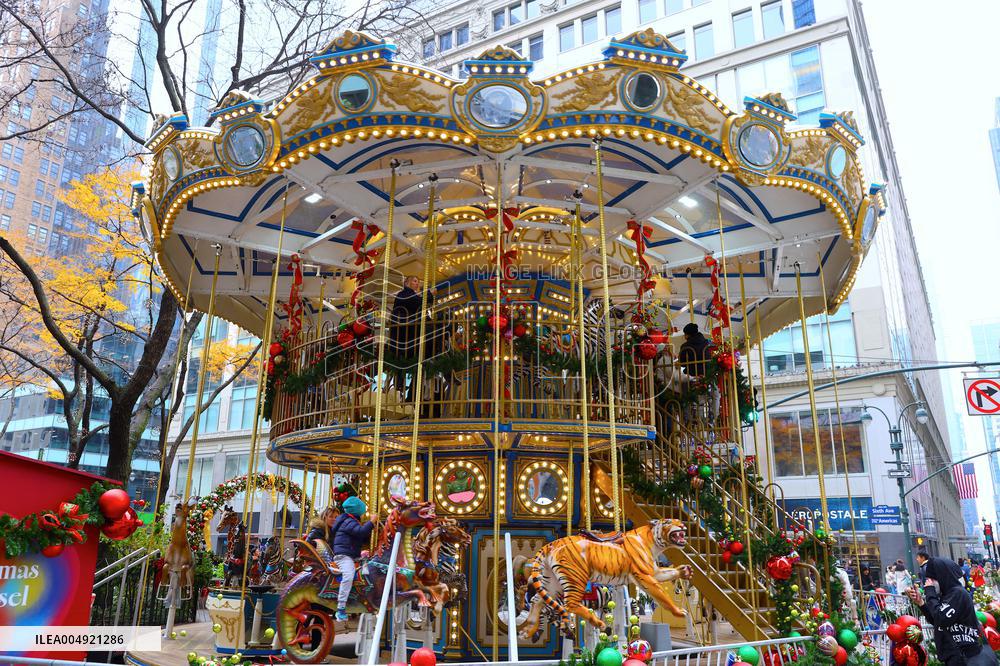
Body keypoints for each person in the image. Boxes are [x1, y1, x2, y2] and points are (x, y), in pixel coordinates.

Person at [906, 557, 998, 666]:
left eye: (931, 579)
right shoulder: (947, 595)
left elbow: (941, 618)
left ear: (941, 577)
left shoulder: (957, 594)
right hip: (956, 657)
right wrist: (921, 602)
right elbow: (937, 621)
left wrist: (930, 592)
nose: (928, 583)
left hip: (964, 657)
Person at [331, 495, 375, 621]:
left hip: (351, 555)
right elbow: (360, 532)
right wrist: (371, 522)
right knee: (348, 575)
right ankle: (341, 608)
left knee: (368, 568)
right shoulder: (348, 521)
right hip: (343, 556)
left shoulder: (350, 520)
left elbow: (361, 536)